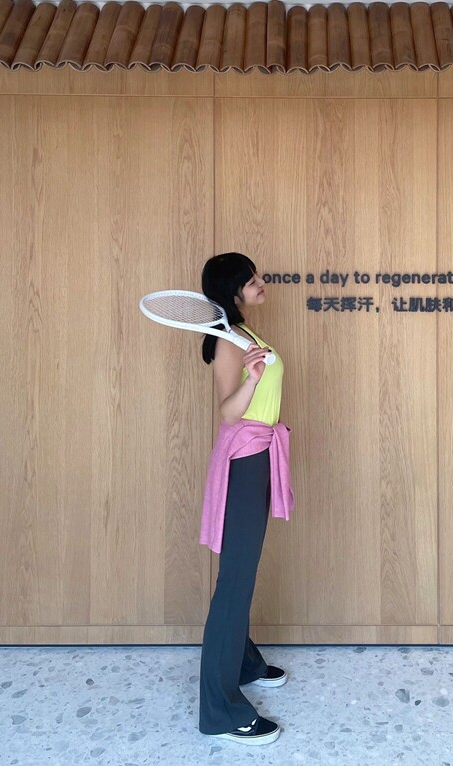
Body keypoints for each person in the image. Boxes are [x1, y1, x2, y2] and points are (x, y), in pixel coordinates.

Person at [197, 252, 294, 745]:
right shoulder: (226, 340)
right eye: (251, 279)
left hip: (259, 454)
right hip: (244, 458)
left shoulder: (245, 333)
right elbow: (228, 413)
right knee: (234, 580)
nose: (261, 283)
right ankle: (220, 712)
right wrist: (253, 380)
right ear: (231, 289)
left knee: (244, 571)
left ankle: (244, 662)